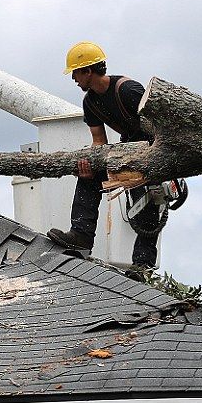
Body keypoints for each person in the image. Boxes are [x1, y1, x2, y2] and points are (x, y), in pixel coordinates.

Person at [47, 41, 170, 277]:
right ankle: (81, 236)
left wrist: (156, 164)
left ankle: (142, 266)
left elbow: (160, 127)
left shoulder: (128, 91)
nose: (74, 79)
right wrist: (92, 164)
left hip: (154, 151)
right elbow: (99, 142)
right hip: (127, 152)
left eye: (75, 72)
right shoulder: (90, 102)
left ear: (88, 71)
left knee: (146, 202)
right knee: (88, 176)